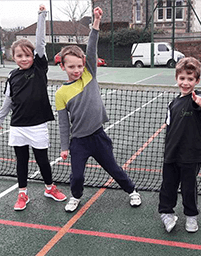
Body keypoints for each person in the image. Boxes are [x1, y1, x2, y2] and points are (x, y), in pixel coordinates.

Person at [55, 7, 141, 213]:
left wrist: (96, 22)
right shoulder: (60, 94)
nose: (76, 70)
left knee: (114, 169)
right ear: (63, 67)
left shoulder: (89, 74)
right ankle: (75, 197)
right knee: (76, 176)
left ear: (84, 64)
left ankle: (132, 191)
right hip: (79, 142)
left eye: (79, 66)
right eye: (71, 67)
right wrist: (65, 147)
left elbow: (91, 47)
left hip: (98, 137)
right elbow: (63, 123)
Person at [0, 5, 66, 211]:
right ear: (13, 57)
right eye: (19, 56)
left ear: (33, 56)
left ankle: (49, 188)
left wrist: (41, 16)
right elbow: (8, 101)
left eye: (27, 55)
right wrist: (0, 119)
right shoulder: (12, 76)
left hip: (38, 125)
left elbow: (41, 43)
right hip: (18, 126)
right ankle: (22, 194)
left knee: (42, 159)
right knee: (22, 161)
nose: (24, 58)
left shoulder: (39, 68)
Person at [158, 57, 201, 233]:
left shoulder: (197, 98)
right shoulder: (172, 104)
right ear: (177, 78)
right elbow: (170, 127)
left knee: (188, 187)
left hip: (191, 155)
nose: (185, 83)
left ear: (197, 81)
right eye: (182, 78)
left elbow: (200, 101)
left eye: (190, 79)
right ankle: (166, 213)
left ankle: (191, 217)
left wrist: (199, 101)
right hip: (171, 153)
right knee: (168, 185)